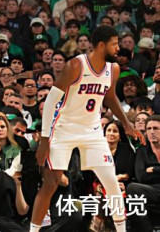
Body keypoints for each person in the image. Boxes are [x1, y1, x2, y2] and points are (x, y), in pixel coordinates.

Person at [29, 26, 144, 232]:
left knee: (111, 182)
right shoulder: (75, 65)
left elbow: (110, 97)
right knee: (51, 183)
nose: (118, 48)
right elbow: (50, 102)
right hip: (64, 129)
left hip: (92, 131)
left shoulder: (113, 69)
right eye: (114, 44)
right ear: (101, 45)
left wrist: (127, 124)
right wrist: (45, 140)